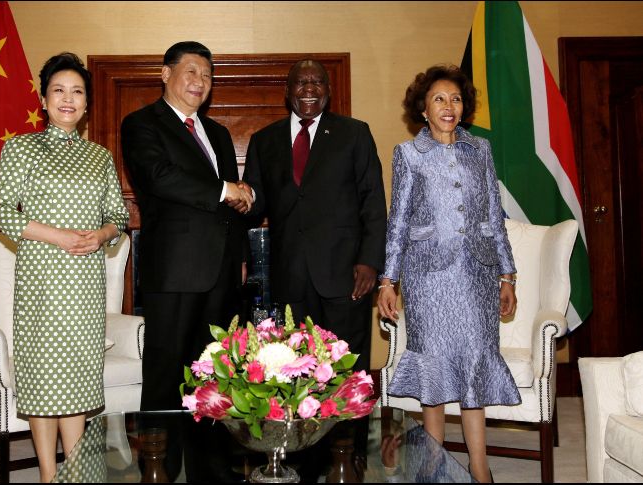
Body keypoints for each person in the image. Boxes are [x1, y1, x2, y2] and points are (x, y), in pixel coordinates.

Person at [242, 59, 386, 478]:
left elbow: (373, 204)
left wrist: (370, 262)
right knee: (295, 370)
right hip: (292, 277)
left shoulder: (354, 134)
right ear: (287, 91)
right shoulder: (264, 140)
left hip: (346, 275)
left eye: (317, 82)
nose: (309, 88)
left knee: (349, 370)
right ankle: (301, 458)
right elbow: (255, 206)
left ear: (328, 89)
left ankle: (349, 455)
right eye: (300, 82)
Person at [0, 52, 129, 482]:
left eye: (77, 92)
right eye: (59, 90)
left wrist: (101, 235)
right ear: (44, 99)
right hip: (42, 280)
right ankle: (50, 476)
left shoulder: (99, 156)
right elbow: (0, 212)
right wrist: (59, 235)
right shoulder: (21, 148)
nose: (68, 99)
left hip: (86, 281)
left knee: (76, 380)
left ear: (87, 104)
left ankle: (77, 472)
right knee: (46, 378)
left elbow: (119, 217)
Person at [377, 64, 520, 483]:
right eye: (439, 99)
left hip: (476, 275)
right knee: (434, 374)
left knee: (475, 367)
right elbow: (398, 221)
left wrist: (507, 276)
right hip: (428, 279)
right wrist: (389, 281)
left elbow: (495, 216)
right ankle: (435, 473)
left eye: (456, 99)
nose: (449, 106)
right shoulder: (408, 154)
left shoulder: (481, 151)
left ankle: (480, 471)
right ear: (423, 109)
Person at [120, 41, 251, 481]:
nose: (200, 82)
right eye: (191, 71)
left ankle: (209, 471)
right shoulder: (141, 124)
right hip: (174, 271)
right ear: (165, 74)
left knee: (215, 375)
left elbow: (226, 206)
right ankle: (158, 467)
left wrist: (241, 255)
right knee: (164, 374)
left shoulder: (214, 132)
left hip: (220, 272)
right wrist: (225, 190)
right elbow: (159, 176)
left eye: (208, 75)